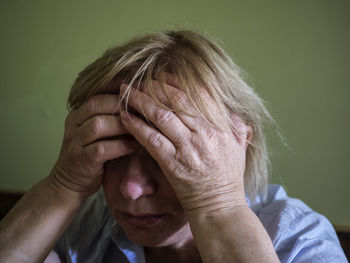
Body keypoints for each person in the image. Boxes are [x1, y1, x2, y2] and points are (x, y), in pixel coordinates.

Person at [0, 30, 347, 263]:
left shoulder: (300, 239)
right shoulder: (88, 225)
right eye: (112, 151)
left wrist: (217, 205)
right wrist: (64, 184)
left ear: (236, 143)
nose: (131, 189)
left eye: (165, 151)